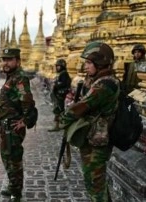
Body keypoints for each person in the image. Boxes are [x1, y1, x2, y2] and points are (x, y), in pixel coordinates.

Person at [60, 42, 120, 202]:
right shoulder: (96, 80)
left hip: (98, 142)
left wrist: (64, 117)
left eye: (88, 62)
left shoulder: (106, 84)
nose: (85, 66)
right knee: (95, 183)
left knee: (95, 184)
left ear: (99, 63)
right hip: (91, 138)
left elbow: (81, 106)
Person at [0, 48, 35, 202]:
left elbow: (26, 101)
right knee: (7, 158)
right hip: (4, 125)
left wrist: (25, 121)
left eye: (9, 60)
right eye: (4, 60)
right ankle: (13, 186)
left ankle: (16, 192)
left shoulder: (20, 78)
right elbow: (12, 101)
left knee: (13, 159)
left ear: (18, 61)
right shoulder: (11, 77)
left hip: (12, 127)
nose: (5, 63)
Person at [48, 58, 71, 132]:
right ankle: (60, 125)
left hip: (60, 95)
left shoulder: (64, 73)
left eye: (59, 66)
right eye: (57, 66)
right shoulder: (61, 73)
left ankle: (58, 125)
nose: (57, 67)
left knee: (58, 110)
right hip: (58, 95)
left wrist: (56, 84)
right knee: (58, 110)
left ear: (62, 66)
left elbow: (63, 84)